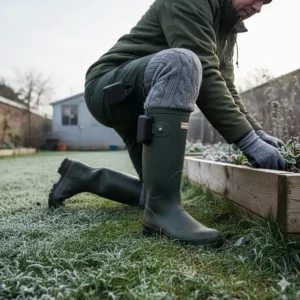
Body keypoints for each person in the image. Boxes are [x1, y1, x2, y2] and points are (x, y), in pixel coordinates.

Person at [49, 0, 285, 246]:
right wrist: (247, 141)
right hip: (114, 89)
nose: (258, 8)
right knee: (183, 62)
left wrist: (257, 133)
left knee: (153, 192)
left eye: (264, 4)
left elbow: (226, 85)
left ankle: (84, 177)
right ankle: (161, 215)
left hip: (150, 98)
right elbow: (204, 72)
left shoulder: (227, 26)